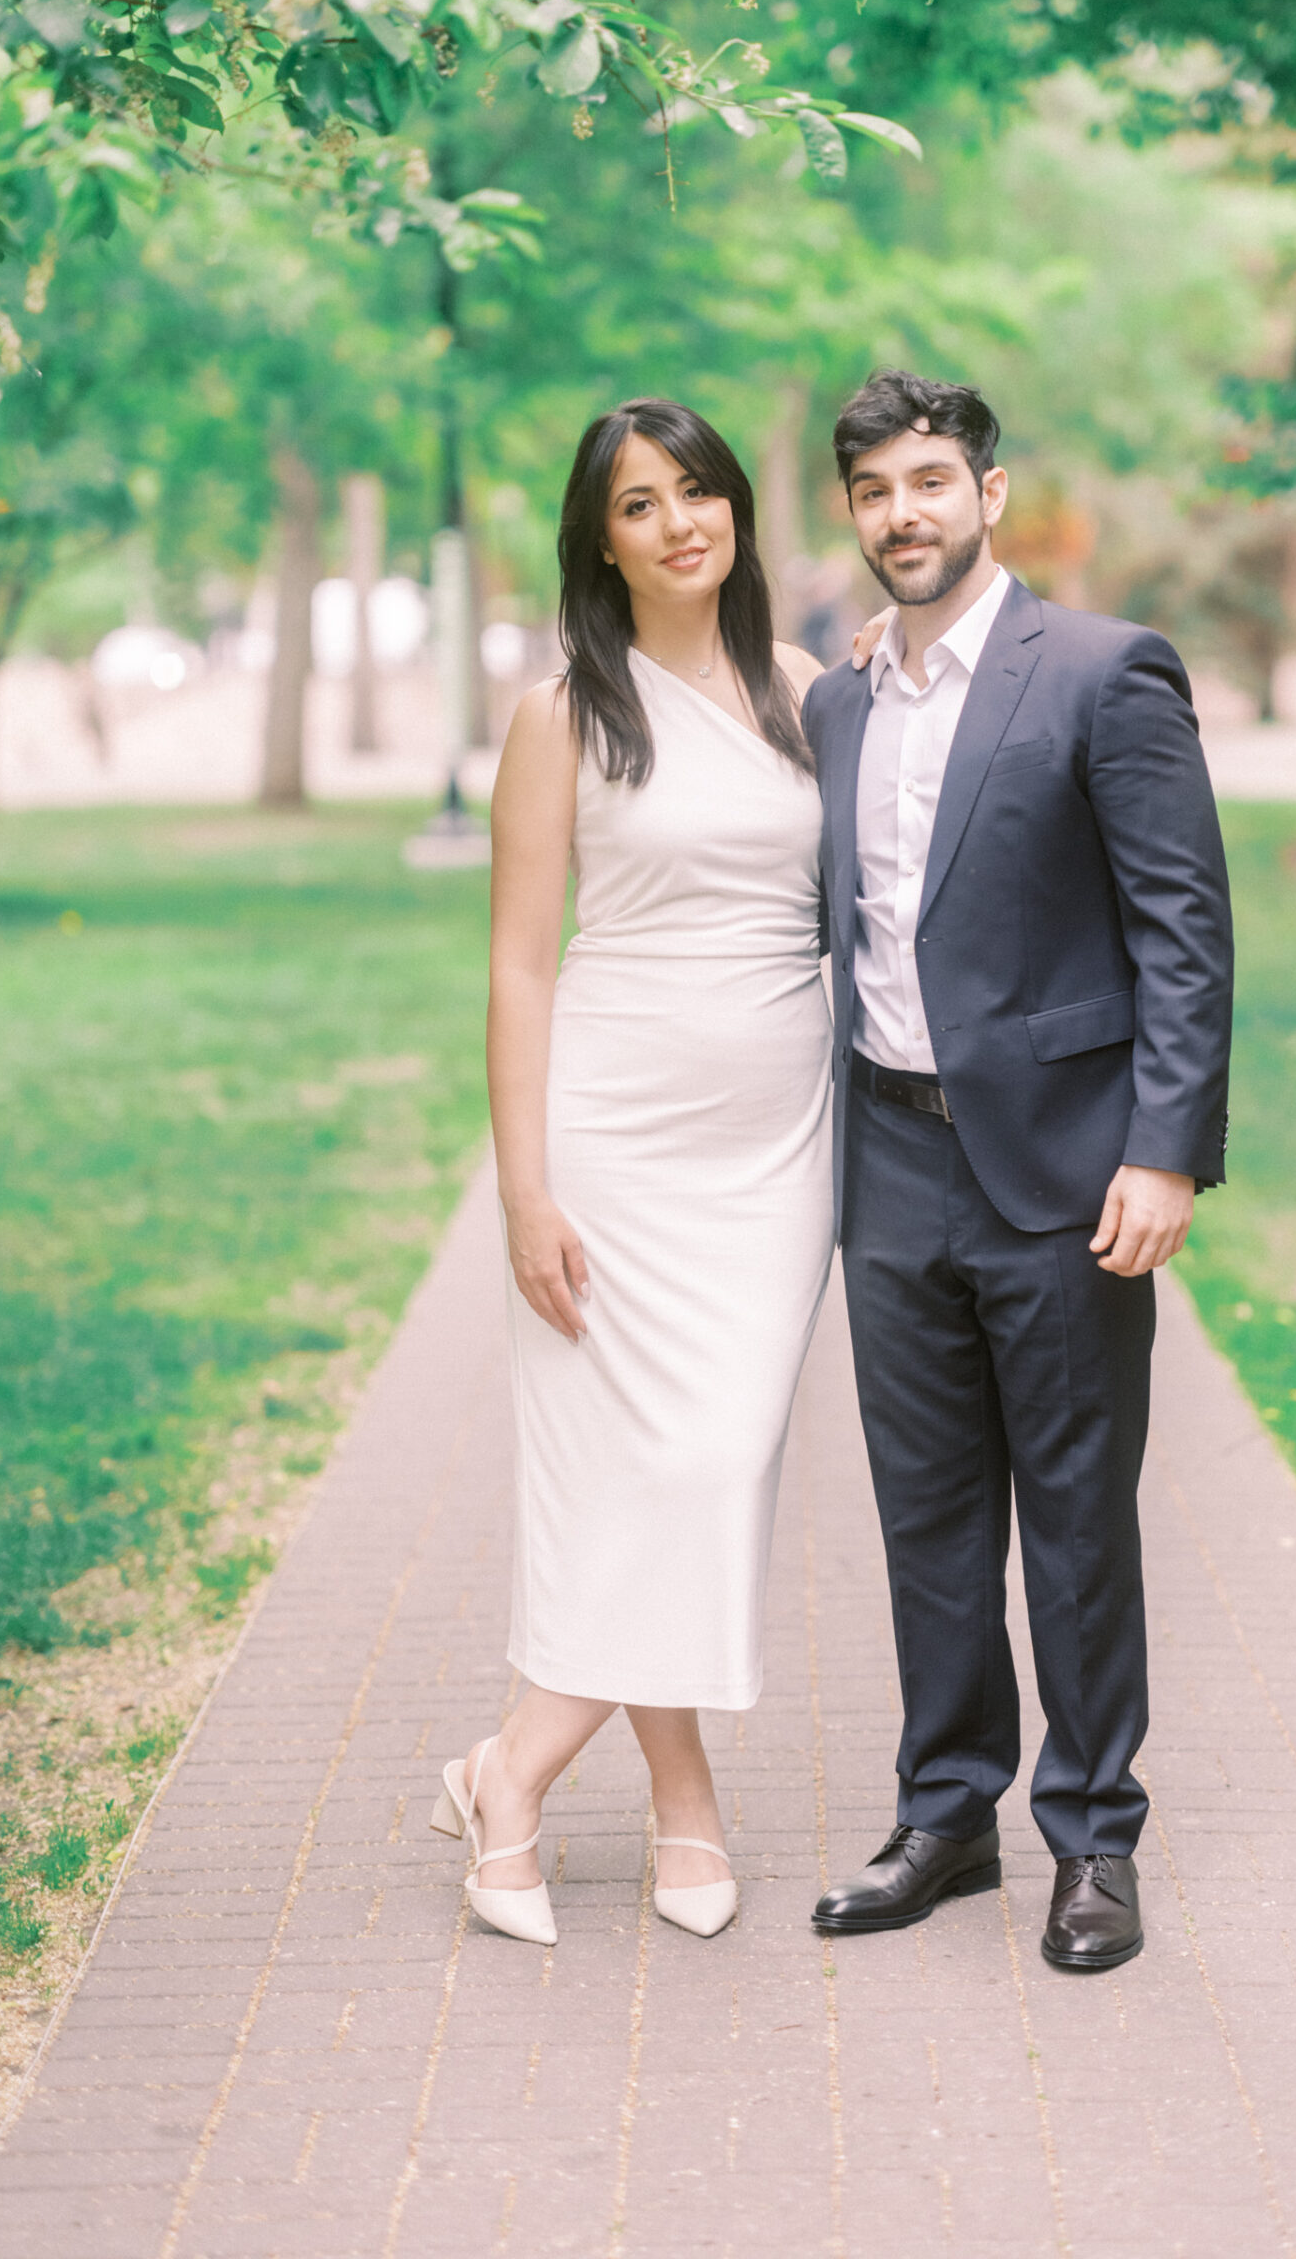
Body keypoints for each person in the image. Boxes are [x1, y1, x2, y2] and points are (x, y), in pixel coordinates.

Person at [802, 370, 1234, 1974]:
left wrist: (1167, 1152)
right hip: (890, 1161)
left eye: (929, 481)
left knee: (1073, 1515)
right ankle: (946, 1819)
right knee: (924, 1517)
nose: (902, 513)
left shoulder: (1104, 674)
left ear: (990, 492)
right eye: (872, 490)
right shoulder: (841, 702)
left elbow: (1185, 927)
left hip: (1062, 1173)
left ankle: (1094, 1837)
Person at [436, 399, 833, 1945]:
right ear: (598, 539)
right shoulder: (563, 716)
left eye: (699, 491)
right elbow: (521, 967)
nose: (680, 522)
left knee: (706, 1465)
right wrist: (526, 1190)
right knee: (638, 1471)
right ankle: (666, 1803)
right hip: (611, 1142)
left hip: (775, 1153)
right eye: (640, 503)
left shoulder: (808, 691)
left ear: (735, 507)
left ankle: (506, 1764)